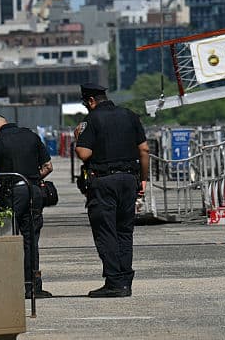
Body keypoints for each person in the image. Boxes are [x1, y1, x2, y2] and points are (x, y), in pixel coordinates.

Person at [74, 83, 149, 298]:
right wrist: (143, 179)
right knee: (125, 231)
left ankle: (114, 281)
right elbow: (143, 149)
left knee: (106, 231)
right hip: (129, 179)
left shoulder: (92, 119)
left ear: (90, 101)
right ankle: (125, 281)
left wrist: (78, 136)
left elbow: (84, 153)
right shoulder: (130, 115)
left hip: (104, 181)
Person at [0, 114, 54, 298]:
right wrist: (32, 179)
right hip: (34, 191)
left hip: (12, 193)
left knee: (8, 237)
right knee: (32, 239)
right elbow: (48, 166)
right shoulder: (31, 136)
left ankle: (8, 284)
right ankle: (33, 286)